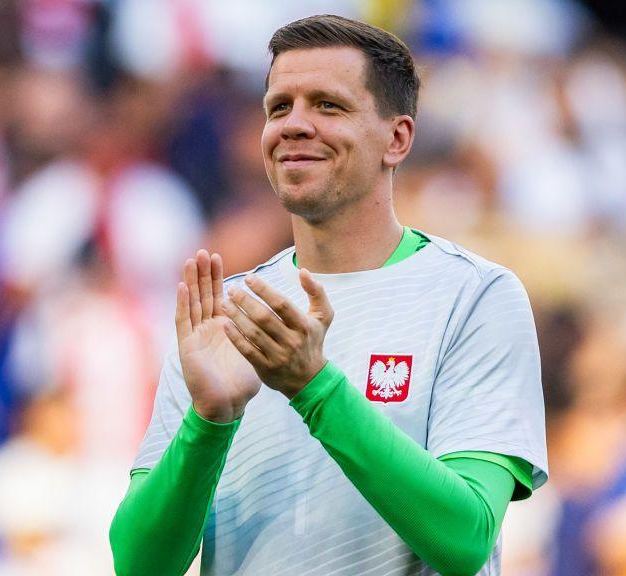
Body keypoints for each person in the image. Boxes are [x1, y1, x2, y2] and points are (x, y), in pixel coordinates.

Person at [109, 14, 548, 576]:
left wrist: (315, 389)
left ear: (398, 138)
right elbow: (139, 565)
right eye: (278, 107)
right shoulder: (226, 316)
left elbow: (466, 538)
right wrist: (209, 420)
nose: (293, 124)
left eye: (327, 105)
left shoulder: (475, 297)